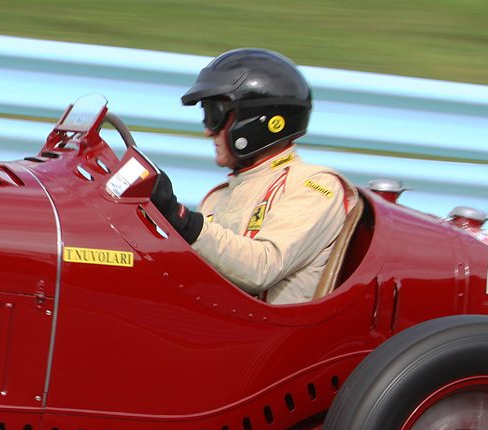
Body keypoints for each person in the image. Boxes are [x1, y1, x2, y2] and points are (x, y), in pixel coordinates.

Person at [149, 48, 355, 305]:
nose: (208, 132)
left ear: (257, 122)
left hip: (270, 336)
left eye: (214, 117)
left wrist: (181, 218)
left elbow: (262, 268)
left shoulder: (314, 185)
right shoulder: (218, 196)